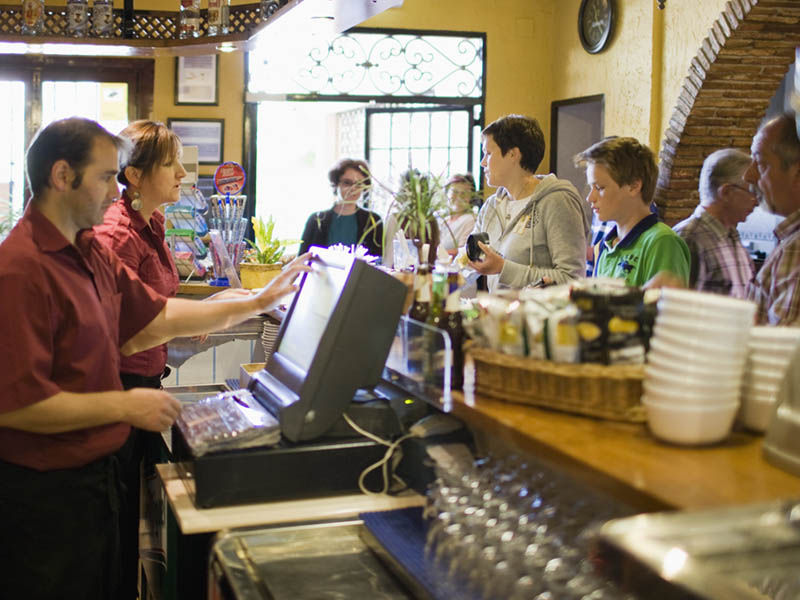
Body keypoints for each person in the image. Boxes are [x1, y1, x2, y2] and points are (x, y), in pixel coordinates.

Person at [0, 117, 310, 600]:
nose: (114, 190)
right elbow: (17, 406)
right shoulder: (19, 269)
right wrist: (125, 406)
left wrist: (256, 302)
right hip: (45, 493)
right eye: (106, 176)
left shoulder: (87, 251)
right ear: (63, 176)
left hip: (94, 480)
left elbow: (156, 315)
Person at [468, 114, 589, 291]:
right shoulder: (492, 205)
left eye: (488, 153)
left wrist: (503, 268)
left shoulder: (557, 200)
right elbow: (469, 261)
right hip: (501, 315)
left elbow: (572, 279)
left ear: (512, 154)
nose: (482, 162)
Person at [575, 136, 690, 287]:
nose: (590, 198)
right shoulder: (608, 245)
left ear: (634, 186)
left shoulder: (662, 242)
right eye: (591, 188)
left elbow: (665, 307)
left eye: (600, 188)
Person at [672, 148, 757, 298]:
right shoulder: (688, 237)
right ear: (726, 192)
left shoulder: (732, 237)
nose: (756, 202)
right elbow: (677, 306)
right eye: (753, 192)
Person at [745, 112, 800, 325]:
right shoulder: (790, 241)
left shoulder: (796, 251)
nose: (748, 176)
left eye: (760, 163)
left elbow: (781, 355)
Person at [299, 158, 383, 257]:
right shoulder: (316, 219)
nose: (353, 189)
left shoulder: (373, 221)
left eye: (359, 184)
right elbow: (302, 258)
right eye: (347, 183)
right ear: (336, 185)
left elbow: (378, 260)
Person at [439, 173, 477, 256]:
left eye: (464, 193)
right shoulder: (443, 220)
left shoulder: (470, 220)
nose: (459, 197)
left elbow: (462, 251)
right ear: (447, 193)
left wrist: (436, 255)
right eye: (454, 192)